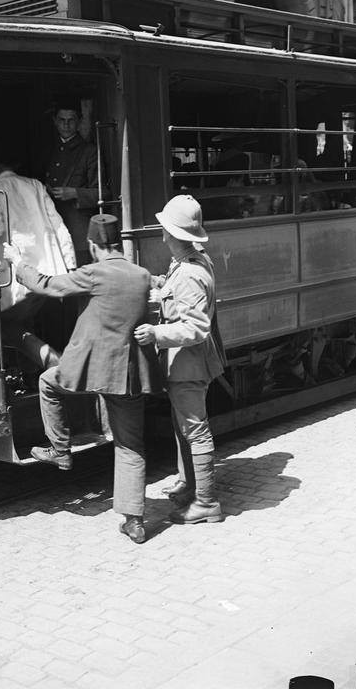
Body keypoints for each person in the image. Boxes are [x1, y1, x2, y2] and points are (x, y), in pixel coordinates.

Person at [3, 214, 163, 544]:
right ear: (117, 243)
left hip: (89, 368)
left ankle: (60, 450)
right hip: (128, 373)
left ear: (92, 245)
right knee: (130, 445)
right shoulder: (141, 275)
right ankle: (134, 521)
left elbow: (46, 285)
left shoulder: (94, 273)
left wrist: (18, 263)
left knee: (48, 383)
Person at [134, 195, 227, 525]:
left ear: (177, 235)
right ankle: (191, 486)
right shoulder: (191, 262)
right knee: (184, 427)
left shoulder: (189, 272)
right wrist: (161, 284)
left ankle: (206, 503)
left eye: (166, 231)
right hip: (185, 363)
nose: (162, 236)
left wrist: (156, 334)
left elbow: (195, 327)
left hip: (187, 365)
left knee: (195, 431)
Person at [0, 152, 76, 369]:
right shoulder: (35, 185)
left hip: (14, 275)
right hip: (46, 271)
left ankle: (60, 369)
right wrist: (70, 264)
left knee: (7, 328)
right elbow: (58, 224)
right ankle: (38, 374)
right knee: (26, 323)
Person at [44, 101, 109, 266]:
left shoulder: (89, 152)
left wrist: (74, 193)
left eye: (71, 120)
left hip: (78, 229)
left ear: (79, 122)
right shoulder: (48, 150)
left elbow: (103, 193)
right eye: (61, 120)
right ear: (54, 121)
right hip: (51, 225)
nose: (66, 125)